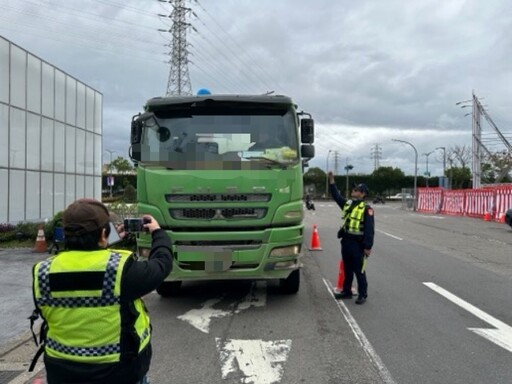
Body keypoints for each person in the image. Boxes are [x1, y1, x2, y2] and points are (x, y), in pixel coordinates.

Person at [30, 199, 173, 384]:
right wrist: (158, 232)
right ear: (103, 234)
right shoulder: (121, 271)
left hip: (62, 373)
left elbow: (83, 266)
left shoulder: (42, 271)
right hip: (119, 374)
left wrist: (107, 239)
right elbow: (161, 264)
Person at [328, 172, 374, 305]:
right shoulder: (348, 204)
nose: (353, 191)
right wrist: (332, 182)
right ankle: (347, 291)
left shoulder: (367, 209)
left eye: (357, 190)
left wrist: (367, 246)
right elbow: (337, 197)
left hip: (358, 243)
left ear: (363, 193)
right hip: (346, 241)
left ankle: (363, 294)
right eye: (354, 189)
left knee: (359, 270)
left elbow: (369, 230)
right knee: (347, 268)